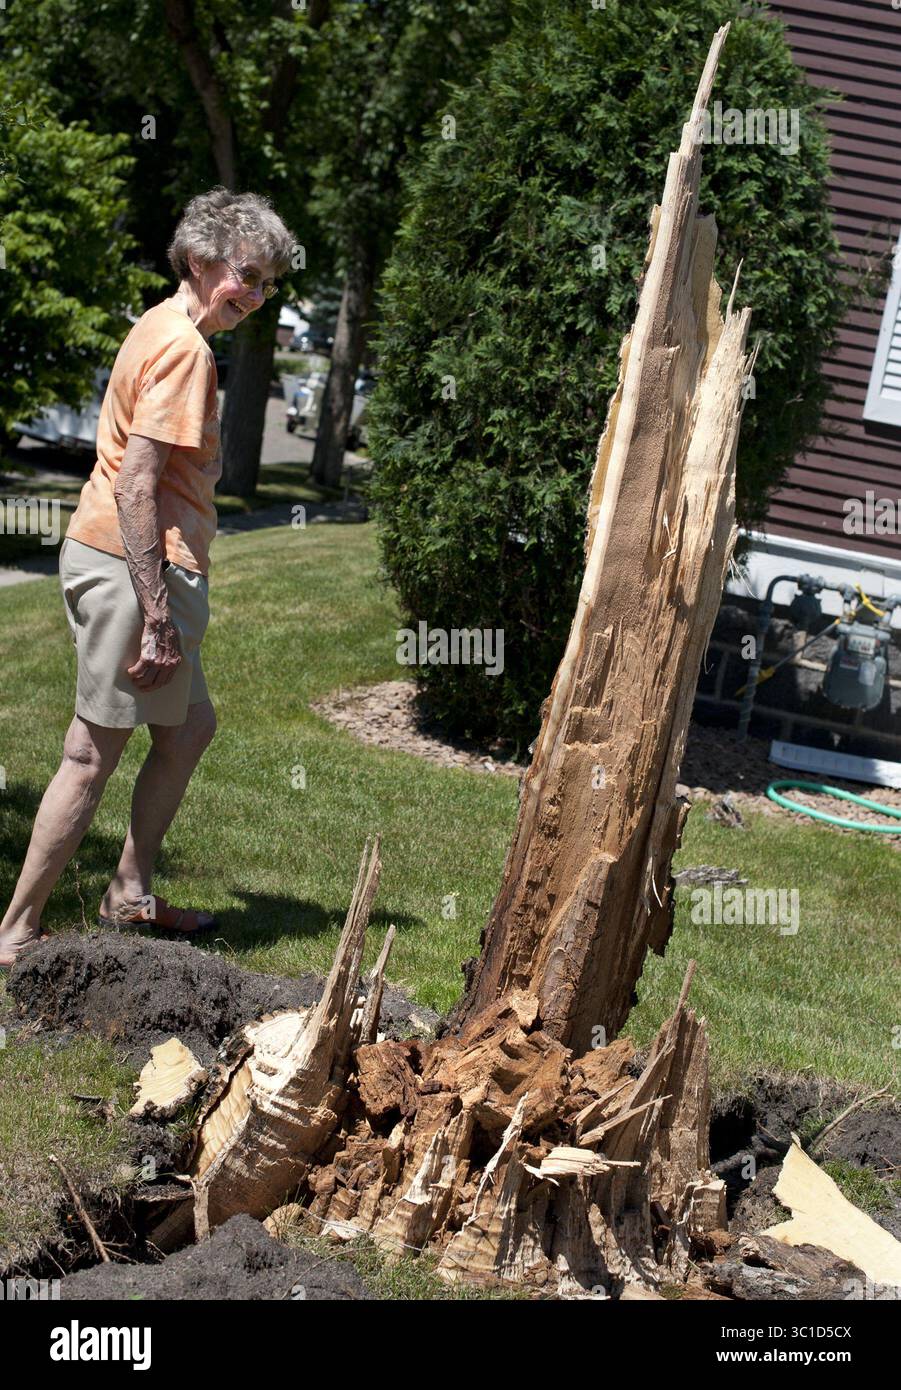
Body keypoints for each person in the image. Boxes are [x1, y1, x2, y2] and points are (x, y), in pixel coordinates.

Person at [0, 187, 295, 967]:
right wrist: (157, 613)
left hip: (136, 558)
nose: (257, 296)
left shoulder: (160, 324)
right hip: (138, 567)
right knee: (91, 754)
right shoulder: (186, 350)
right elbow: (137, 484)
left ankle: (128, 893)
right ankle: (15, 933)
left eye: (268, 284)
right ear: (200, 262)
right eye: (247, 276)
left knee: (190, 728)